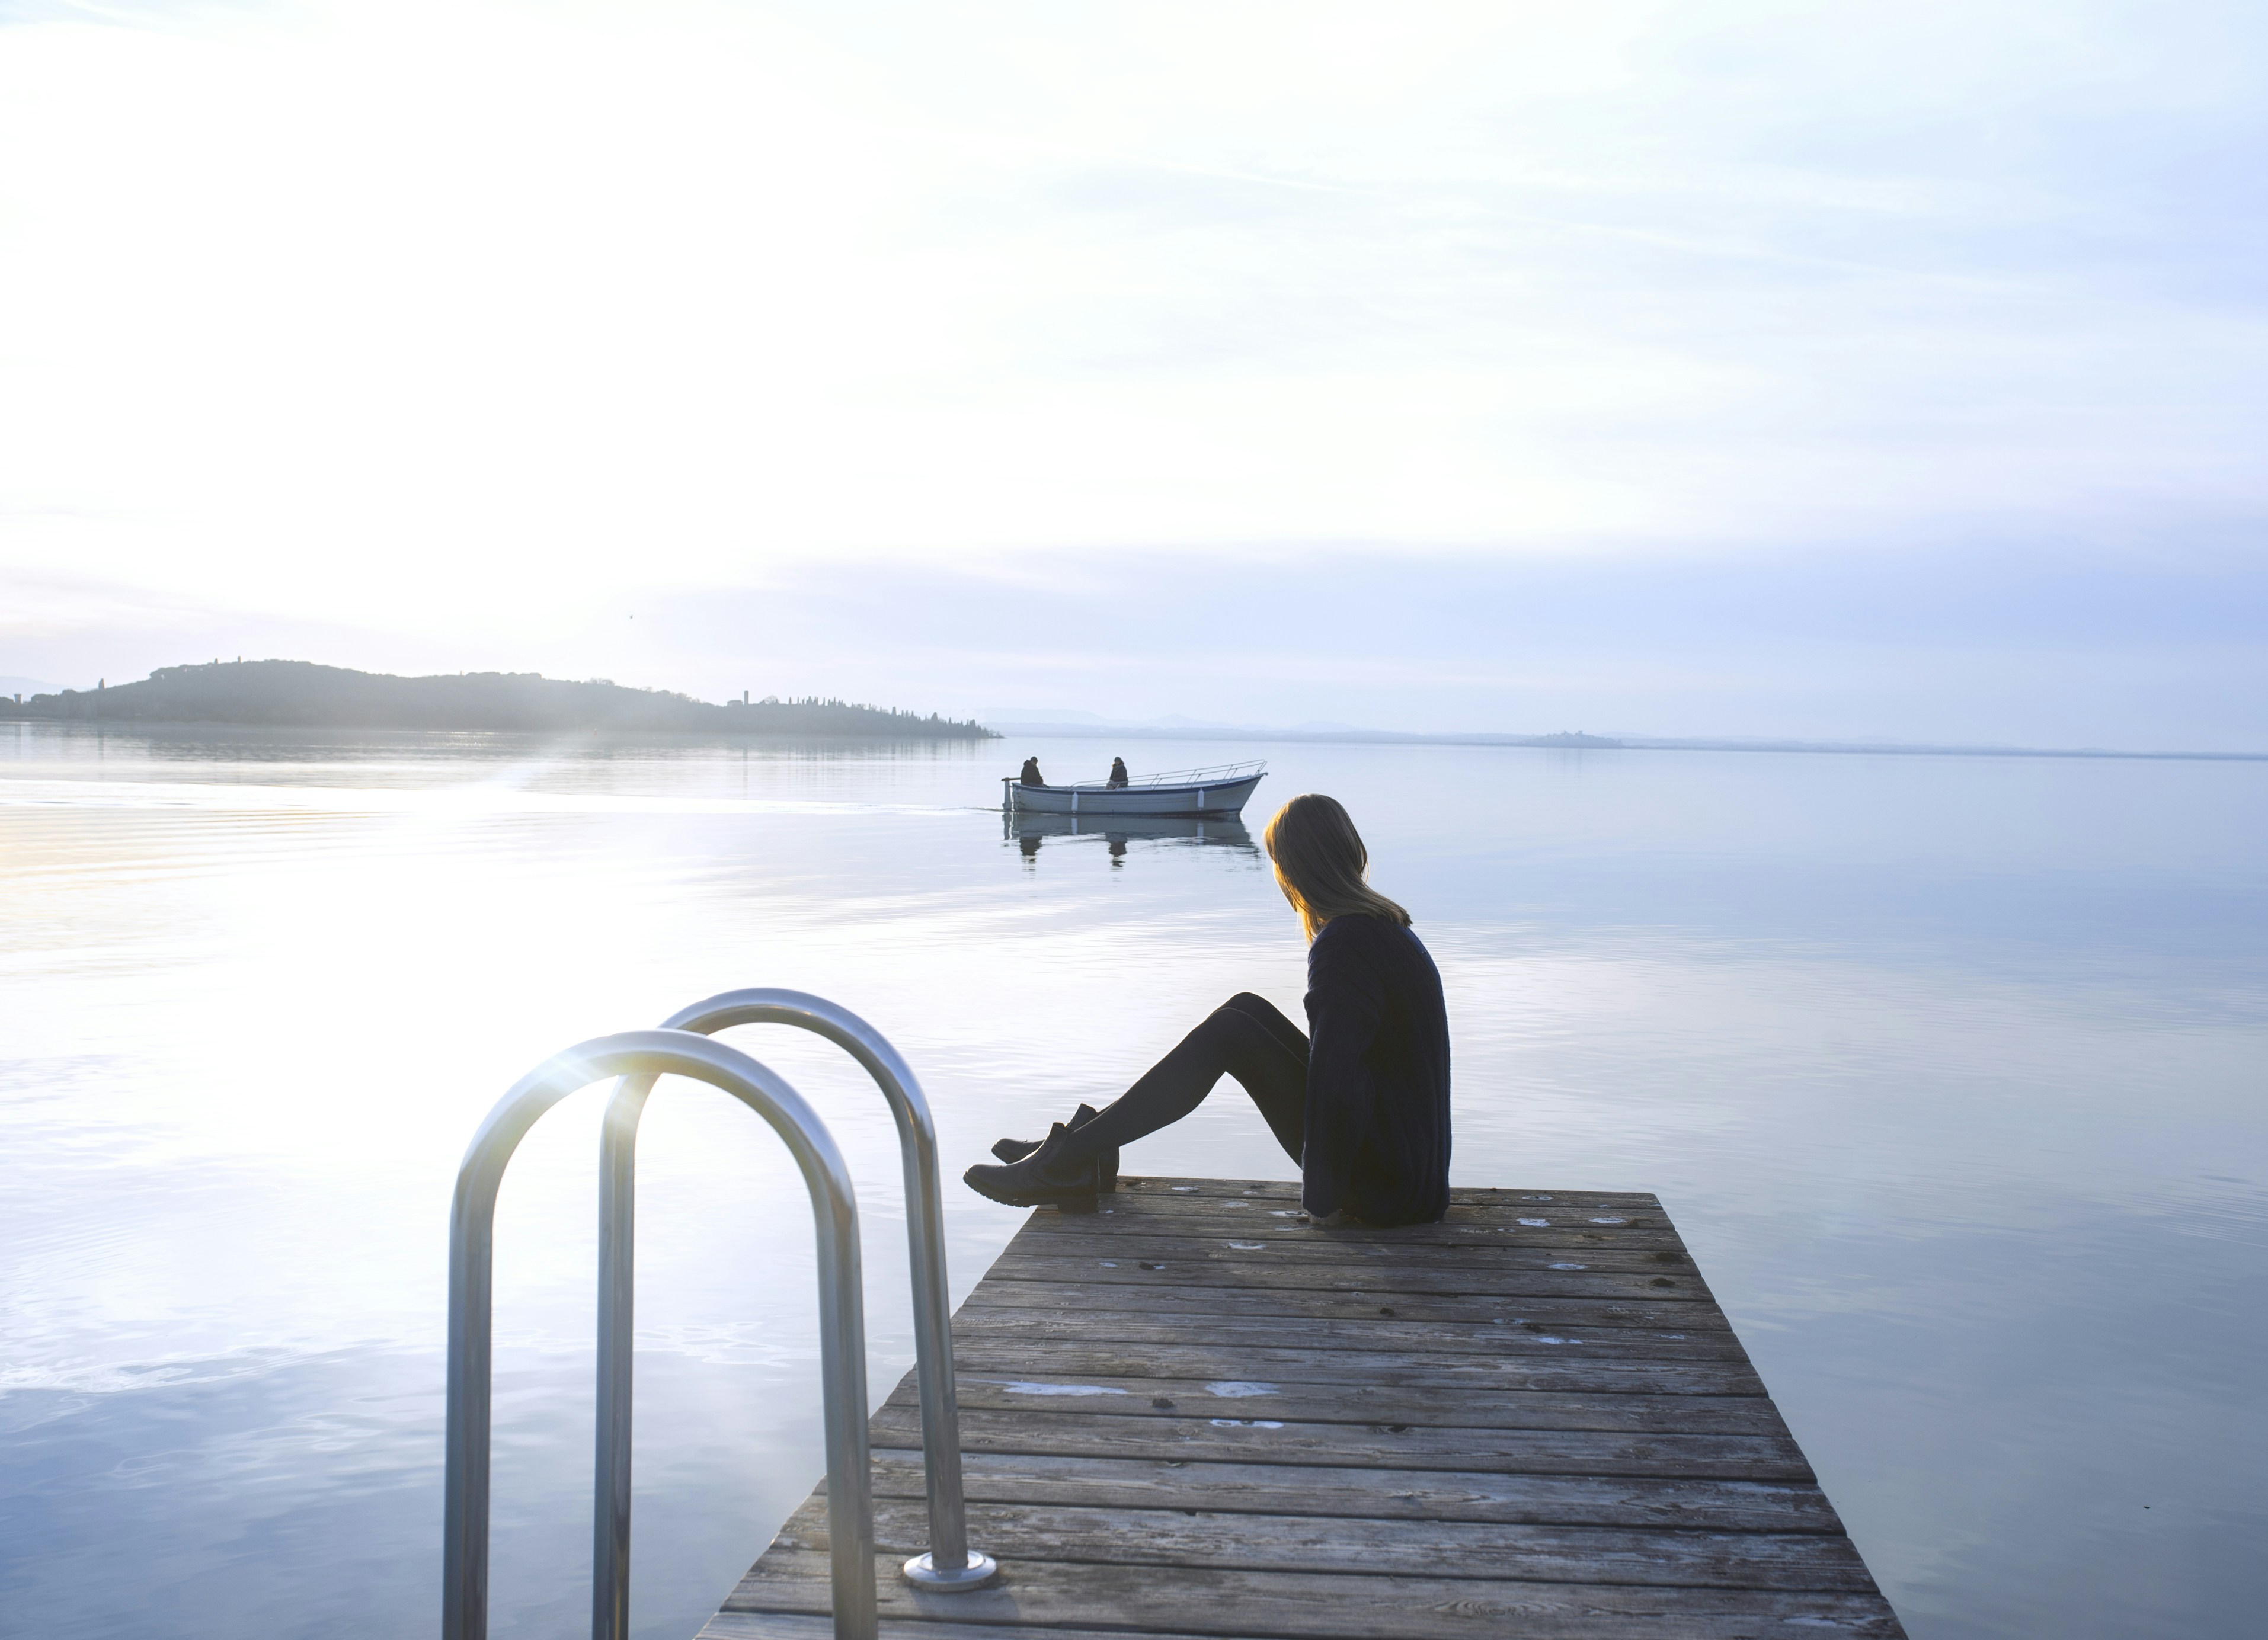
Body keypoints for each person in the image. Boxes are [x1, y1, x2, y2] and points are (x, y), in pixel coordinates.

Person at [964, 793, 1451, 1225]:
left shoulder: (1344, 943)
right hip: (1409, 1178)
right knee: (1245, 1010)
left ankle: (1069, 1159)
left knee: (1230, 1033)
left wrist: (1323, 1199)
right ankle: (1086, 1148)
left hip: (1387, 1193)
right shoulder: (1380, 929)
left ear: (1293, 867)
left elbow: (1336, 1076)